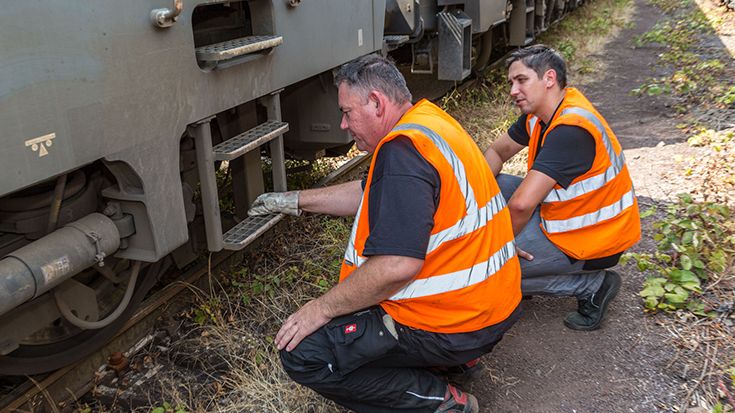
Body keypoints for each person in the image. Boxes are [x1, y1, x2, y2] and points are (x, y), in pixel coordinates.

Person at [248, 54, 521, 413]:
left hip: (457, 319)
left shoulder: (402, 152)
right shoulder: (429, 124)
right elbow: (368, 191)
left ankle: (441, 401)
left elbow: (395, 266)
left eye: (347, 112)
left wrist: (322, 308)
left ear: (376, 102)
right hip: (494, 302)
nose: (344, 125)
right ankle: (457, 363)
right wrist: (292, 201)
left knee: (303, 354)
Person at [483, 44, 641, 331]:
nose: (513, 91)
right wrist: (474, 194)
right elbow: (495, 153)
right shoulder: (539, 115)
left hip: (594, 237)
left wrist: (494, 246)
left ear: (549, 78)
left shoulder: (571, 129)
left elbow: (521, 205)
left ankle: (592, 285)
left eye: (521, 80)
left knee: (487, 269)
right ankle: (532, 264)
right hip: (569, 216)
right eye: (511, 83)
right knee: (496, 184)